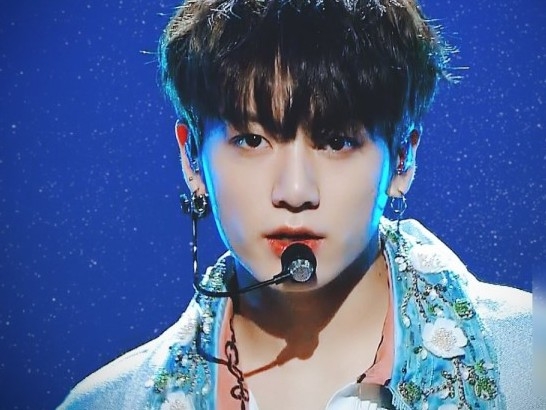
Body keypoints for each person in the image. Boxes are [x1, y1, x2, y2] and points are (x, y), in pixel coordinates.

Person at [58, 0, 541, 409]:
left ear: (403, 157)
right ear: (191, 158)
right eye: (251, 140)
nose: (294, 191)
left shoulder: (530, 359)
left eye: (336, 141)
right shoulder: (106, 402)